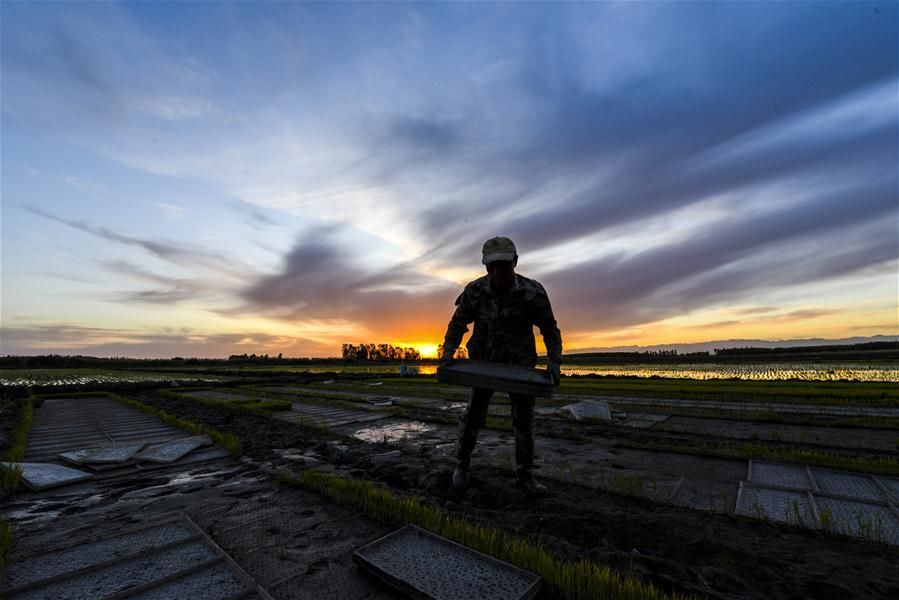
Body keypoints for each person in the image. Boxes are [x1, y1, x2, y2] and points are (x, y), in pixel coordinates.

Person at [440, 236, 563, 493]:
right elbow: (458, 323)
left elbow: (549, 328)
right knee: (474, 414)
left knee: (524, 420)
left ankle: (525, 475)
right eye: (492, 266)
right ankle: (461, 465)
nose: (498, 272)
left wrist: (554, 360)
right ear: (486, 266)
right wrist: (449, 351)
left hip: (520, 366)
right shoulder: (475, 291)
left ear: (515, 262)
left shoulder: (532, 292)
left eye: (504, 265)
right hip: (484, 363)